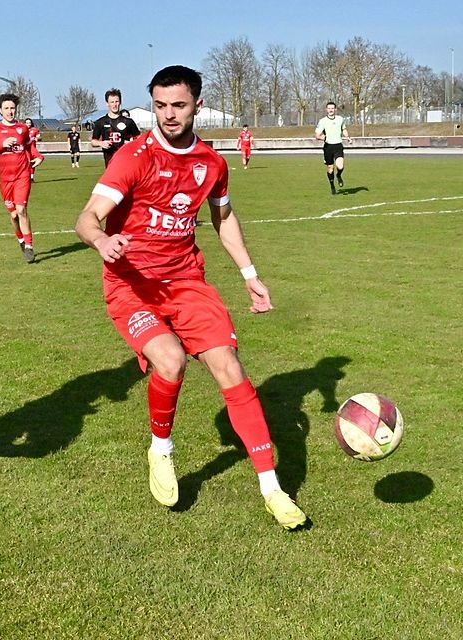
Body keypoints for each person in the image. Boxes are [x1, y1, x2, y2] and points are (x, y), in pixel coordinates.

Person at [75, 64, 307, 530]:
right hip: (132, 286)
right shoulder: (134, 156)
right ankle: (161, 448)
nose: (167, 115)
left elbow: (223, 218)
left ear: (197, 105)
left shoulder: (212, 163)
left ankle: (272, 488)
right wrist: (102, 242)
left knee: (230, 367)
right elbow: (87, 218)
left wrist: (249, 273)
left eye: (178, 105)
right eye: (159, 105)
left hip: (186, 283)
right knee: (172, 361)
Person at [0, 94, 44, 263]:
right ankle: (20, 239)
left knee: (21, 210)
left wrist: (39, 156)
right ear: (0, 111)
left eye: (12, 108)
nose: (10, 111)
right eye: (7, 108)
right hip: (5, 179)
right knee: (13, 215)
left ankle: (29, 246)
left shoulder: (22, 129)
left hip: (22, 175)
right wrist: (1, 145)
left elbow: (30, 147)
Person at [91, 88, 141, 167]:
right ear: (107, 103)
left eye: (116, 101)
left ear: (120, 102)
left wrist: (131, 144)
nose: (114, 104)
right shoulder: (101, 122)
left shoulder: (128, 122)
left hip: (127, 163)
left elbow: (139, 139)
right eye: (112, 102)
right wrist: (101, 143)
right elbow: (93, 141)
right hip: (110, 165)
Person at [314, 101, 351, 195]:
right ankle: (332, 186)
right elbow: (317, 135)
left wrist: (347, 137)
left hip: (338, 145)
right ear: (326, 110)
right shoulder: (322, 121)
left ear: (335, 109)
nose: (330, 110)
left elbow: (344, 129)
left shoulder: (340, 119)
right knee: (330, 168)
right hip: (328, 147)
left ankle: (338, 175)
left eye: (332, 108)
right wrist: (324, 137)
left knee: (340, 166)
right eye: (329, 108)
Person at [24, 117, 41, 181]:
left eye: (29, 123)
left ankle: (31, 177)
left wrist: (37, 138)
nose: (28, 124)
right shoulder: (22, 130)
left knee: (32, 163)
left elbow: (39, 138)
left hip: (32, 149)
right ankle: (26, 176)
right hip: (25, 149)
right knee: (27, 163)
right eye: (27, 123)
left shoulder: (34, 130)